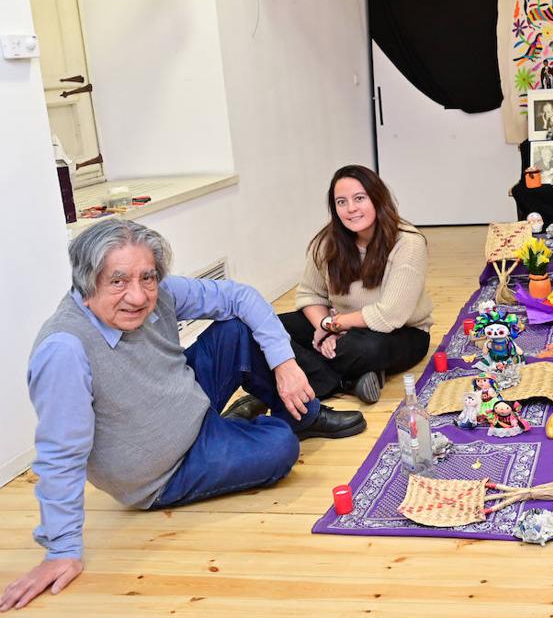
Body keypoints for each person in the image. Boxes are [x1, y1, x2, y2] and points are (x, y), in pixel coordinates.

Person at [1, 219, 364, 612]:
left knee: (236, 330)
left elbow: (241, 297)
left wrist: (284, 363)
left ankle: (302, 414)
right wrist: (61, 549)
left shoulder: (160, 293)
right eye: (118, 281)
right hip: (165, 470)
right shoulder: (64, 349)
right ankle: (250, 428)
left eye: (148, 278)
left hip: (187, 400)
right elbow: (60, 454)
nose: (138, 296)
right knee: (280, 448)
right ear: (87, 281)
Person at [268, 165, 433, 407]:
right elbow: (310, 294)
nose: (351, 209)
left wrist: (335, 327)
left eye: (359, 198)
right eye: (341, 202)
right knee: (271, 328)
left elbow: (390, 315)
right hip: (338, 325)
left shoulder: (408, 242)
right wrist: (324, 326)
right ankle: (348, 381)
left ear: (377, 198)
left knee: (366, 348)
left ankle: (304, 381)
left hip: (400, 333)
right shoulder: (327, 242)